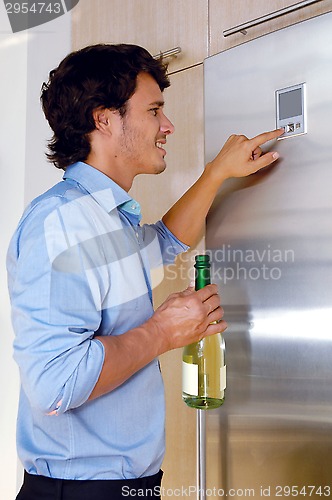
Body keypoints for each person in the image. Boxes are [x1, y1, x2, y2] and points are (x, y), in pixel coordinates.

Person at [7, 43, 283, 500]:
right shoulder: (61, 223)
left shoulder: (104, 218)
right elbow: (55, 384)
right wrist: (162, 332)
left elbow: (170, 241)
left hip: (125, 488)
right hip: (79, 492)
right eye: (154, 111)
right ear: (104, 119)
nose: (168, 126)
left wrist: (216, 174)